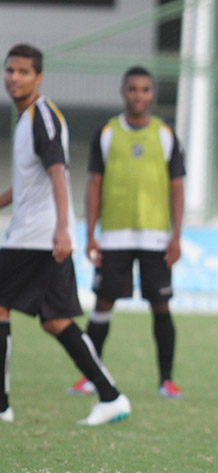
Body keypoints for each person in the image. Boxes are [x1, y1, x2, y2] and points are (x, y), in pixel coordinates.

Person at [0, 44, 130, 425]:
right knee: (55, 320)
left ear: (38, 78)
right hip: (39, 234)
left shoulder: (42, 117)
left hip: (36, 235)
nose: (14, 78)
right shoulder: (27, 119)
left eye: (23, 72)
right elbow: (29, 183)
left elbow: (58, 171)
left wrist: (62, 229)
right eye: (10, 70)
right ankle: (110, 396)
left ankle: (1, 405)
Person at [67, 66, 185, 399]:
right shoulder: (106, 133)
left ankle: (166, 381)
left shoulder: (165, 134)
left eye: (145, 89)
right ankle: (89, 377)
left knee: (160, 305)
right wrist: (90, 233)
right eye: (133, 89)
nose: (138, 95)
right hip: (113, 236)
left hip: (156, 237)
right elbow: (94, 184)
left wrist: (176, 236)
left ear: (152, 94)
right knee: (102, 304)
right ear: (123, 92)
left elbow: (177, 187)